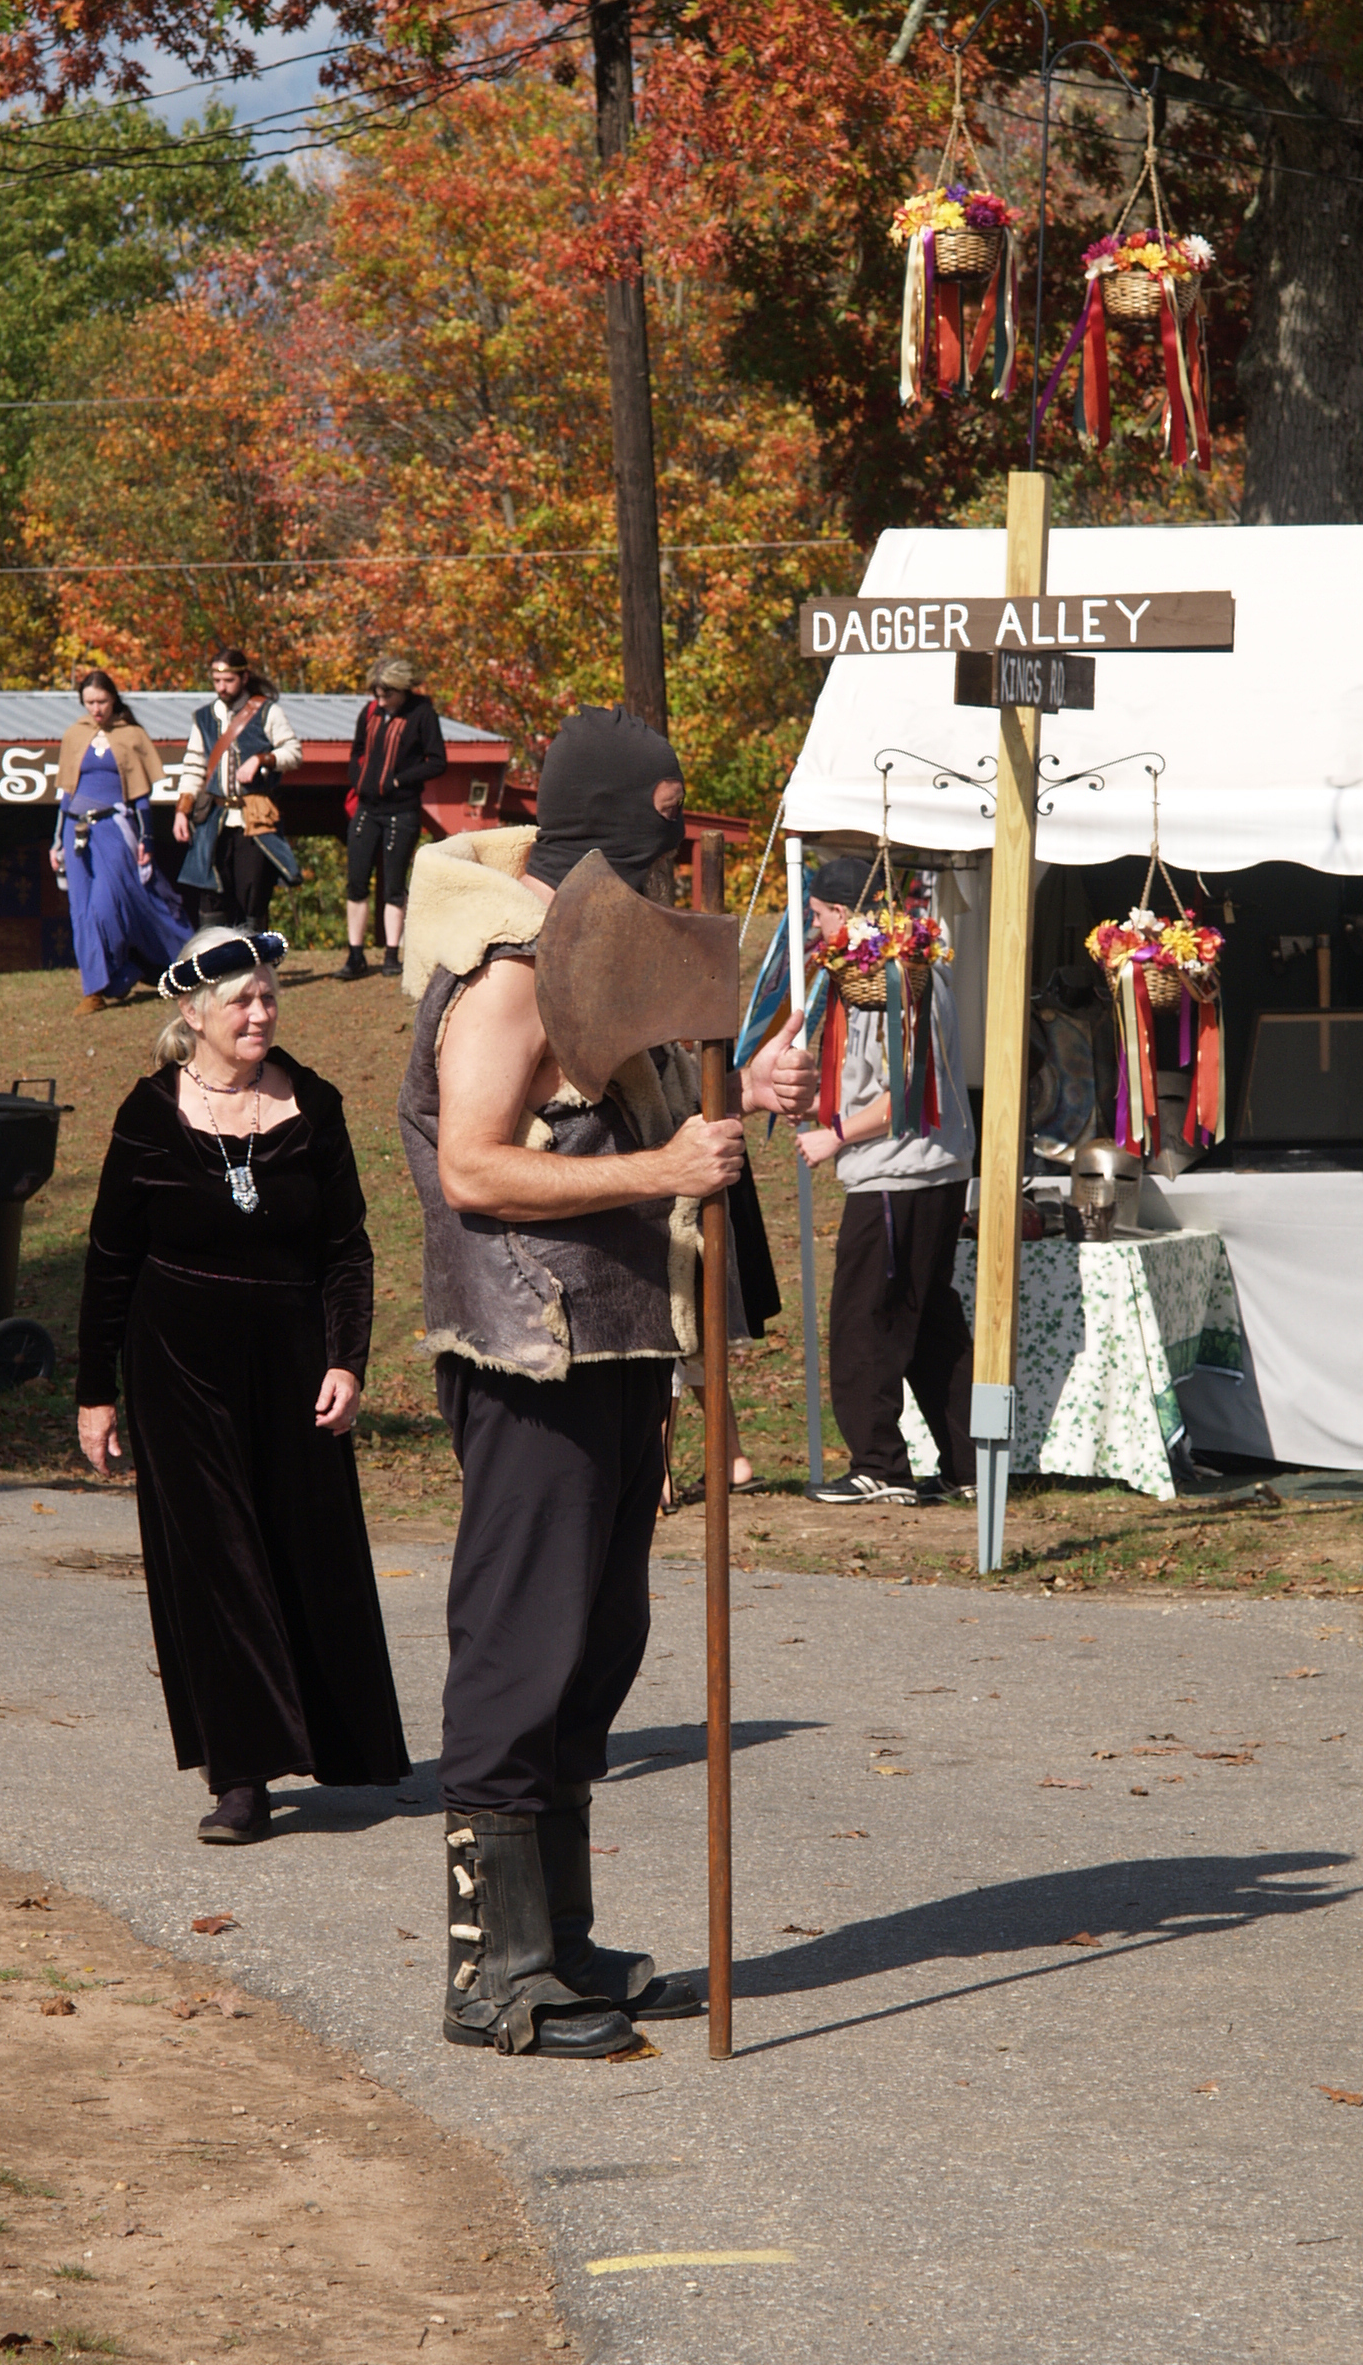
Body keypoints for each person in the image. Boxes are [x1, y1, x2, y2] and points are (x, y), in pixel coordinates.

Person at [396, 705, 817, 2058]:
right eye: (656, 836)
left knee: (591, 1647)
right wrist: (666, 1169)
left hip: (618, 1348)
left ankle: (560, 1944)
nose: (667, 864)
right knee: (522, 1645)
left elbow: (637, 1127)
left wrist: (741, 1095)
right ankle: (494, 1975)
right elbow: (474, 1166)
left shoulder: (590, 955)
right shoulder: (507, 973)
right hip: (536, 1353)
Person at [76, 926, 411, 1843]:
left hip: (295, 1362)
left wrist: (347, 1360)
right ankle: (242, 1776)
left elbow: (346, 1249)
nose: (261, 1013)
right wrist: (95, 1393)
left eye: (269, 996)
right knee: (217, 1563)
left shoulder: (316, 1103)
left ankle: (334, 1743)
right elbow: (109, 1260)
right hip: (178, 1369)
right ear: (195, 1015)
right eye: (242, 1001)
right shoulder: (149, 1114)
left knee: (304, 1551)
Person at [797, 854, 978, 1508]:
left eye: (819, 915)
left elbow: (903, 1087)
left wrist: (835, 1135)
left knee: (864, 1321)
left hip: (899, 1174)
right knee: (927, 1322)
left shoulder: (889, 977)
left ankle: (880, 1465)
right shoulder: (910, 969)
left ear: (845, 913)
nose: (815, 929)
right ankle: (969, 1465)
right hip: (928, 1168)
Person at [51, 668, 191, 1017]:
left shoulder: (131, 735)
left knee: (107, 907)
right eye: (89, 702)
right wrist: (57, 843)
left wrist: (147, 838)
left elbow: (141, 795)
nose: (96, 708)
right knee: (82, 911)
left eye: (101, 701)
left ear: (113, 698)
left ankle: (157, 965)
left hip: (114, 828)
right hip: (75, 830)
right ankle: (96, 989)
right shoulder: (75, 734)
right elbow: (66, 792)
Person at [172, 647, 304, 932]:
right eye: (217, 681)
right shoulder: (204, 717)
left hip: (253, 818)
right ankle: (215, 957)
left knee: (252, 895)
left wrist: (262, 759)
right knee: (211, 894)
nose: (222, 687)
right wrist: (182, 810)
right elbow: (194, 765)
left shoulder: (267, 712)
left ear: (244, 678)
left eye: (228, 680)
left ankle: (256, 957)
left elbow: (293, 752)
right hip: (214, 819)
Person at [342, 654, 446, 979]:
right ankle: (355, 955)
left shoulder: (422, 714)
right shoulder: (370, 712)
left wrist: (399, 781)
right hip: (367, 809)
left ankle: (391, 955)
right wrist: (359, 778)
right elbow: (357, 751)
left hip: (402, 811)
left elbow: (437, 761)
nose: (381, 700)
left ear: (402, 689)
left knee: (394, 885)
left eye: (387, 694)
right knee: (356, 881)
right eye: (377, 694)